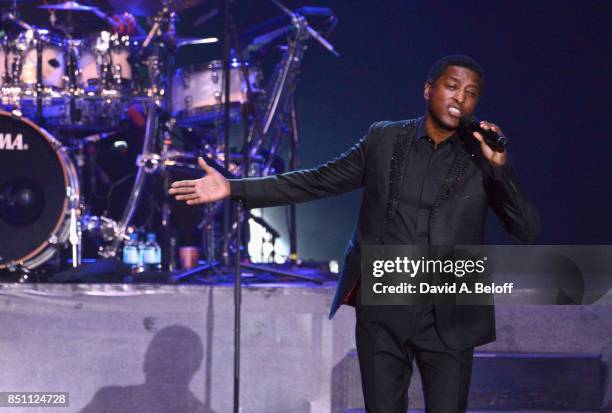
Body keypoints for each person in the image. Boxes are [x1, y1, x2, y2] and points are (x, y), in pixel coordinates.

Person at [169, 55, 540, 413]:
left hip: (448, 313)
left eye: (471, 92)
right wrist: (235, 188)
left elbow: (526, 229)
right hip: (383, 308)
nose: (461, 97)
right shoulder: (384, 139)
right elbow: (316, 181)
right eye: (452, 86)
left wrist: (500, 169)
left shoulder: (480, 156)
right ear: (428, 89)